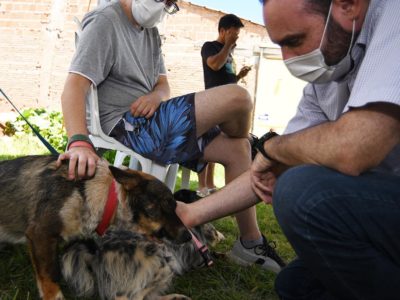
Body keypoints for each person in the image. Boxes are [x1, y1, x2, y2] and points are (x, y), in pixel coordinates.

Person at [176, 0, 400, 298]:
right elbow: (266, 170)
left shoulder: (393, 18)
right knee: (295, 285)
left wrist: (274, 148)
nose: (288, 59)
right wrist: (192, 213)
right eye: (279, 45)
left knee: (302, 192)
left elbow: (354, 147)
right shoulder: (325, 80)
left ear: (349, 5)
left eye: (294, 40)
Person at [58, 0, 285, 273]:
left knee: (236, 149)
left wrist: (155, 97)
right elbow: (75, 84)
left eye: (170, 3)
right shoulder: (105, 20)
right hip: (126, 124)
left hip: (153, 117)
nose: (164, 7)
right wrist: (79, 141)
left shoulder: (150, 31)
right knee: (238, 98)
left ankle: (250, 242)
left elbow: (163, 84)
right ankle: (253, 142)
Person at [197, 14, 252, 198]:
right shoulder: (210, 47)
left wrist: (239, 76)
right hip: (212, 102)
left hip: (225, 106)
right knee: (205, 143)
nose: (236, 38)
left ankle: (211, 185)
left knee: (216, 143)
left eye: (237, 35)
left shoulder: (229, 53)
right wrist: (227, 45)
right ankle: (202, 186)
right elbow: (213, 65)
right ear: (222, 31)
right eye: (233, 34)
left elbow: (226, 79)